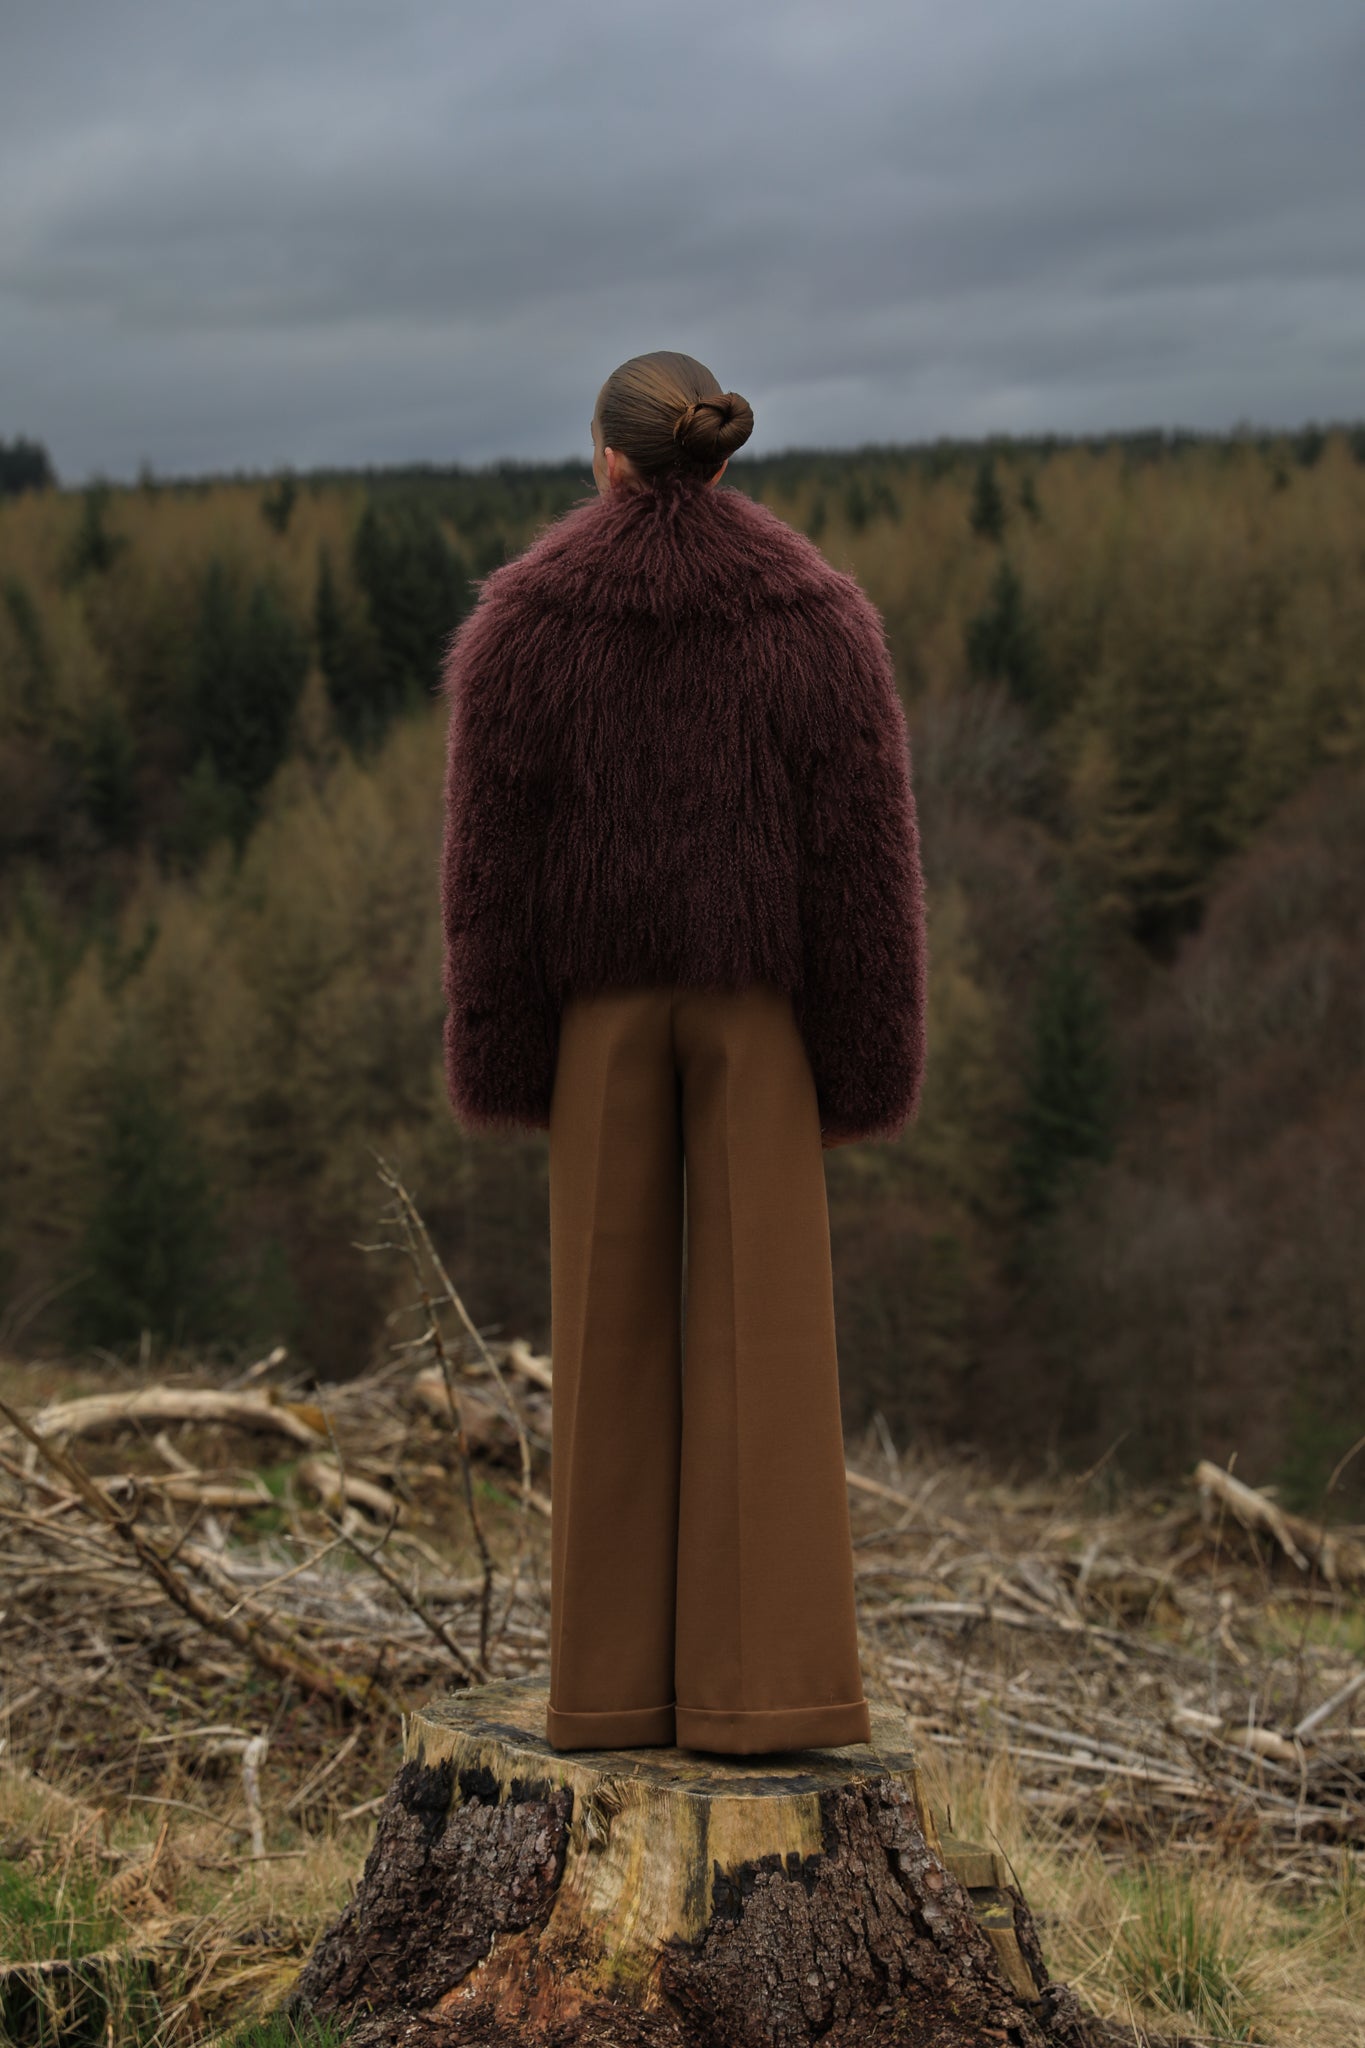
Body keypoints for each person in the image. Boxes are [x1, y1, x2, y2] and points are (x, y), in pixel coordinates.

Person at [439, 349, 928, 1755]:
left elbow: (486, 871)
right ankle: (766, 1694)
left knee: (604, 1339)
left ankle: (600, 1691)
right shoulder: (817, 618)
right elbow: (863, 868)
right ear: (717, 460)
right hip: (758, 1018)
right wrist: (861, 1068)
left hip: (595, 1017)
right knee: (765, 1342)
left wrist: (504, 1052)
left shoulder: (524, 621)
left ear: (603, 454)